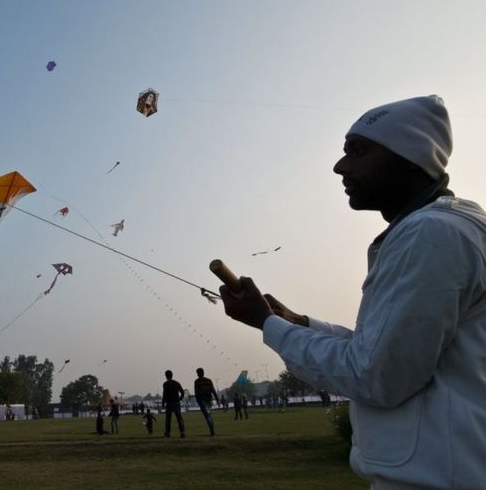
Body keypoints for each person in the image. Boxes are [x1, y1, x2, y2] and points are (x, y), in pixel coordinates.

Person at [218, 95, 486, 488]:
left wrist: (267, 325)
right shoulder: (449, 225)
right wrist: (298, 323)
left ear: (410, 159)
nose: (340, 166)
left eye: (358, 152)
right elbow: (383, 351)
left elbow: (375, 375)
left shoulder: (431, 234)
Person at [193, 368, 221, 436]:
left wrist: (198, 401)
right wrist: (217, 399)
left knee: (207, 416)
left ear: (198, 373)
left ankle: (212, 431)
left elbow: (196, 392)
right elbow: (213, 390)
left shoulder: (197, 382)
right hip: (209, 400)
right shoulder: (209, 381)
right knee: (209, 415)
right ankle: (212, 430)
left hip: (202, 401)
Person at [162, 370, 185, 438]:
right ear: (172, 375)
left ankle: (168, 433)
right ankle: (182, 432)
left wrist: (163, 403)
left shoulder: (165, 384)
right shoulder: (177, 383)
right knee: (179, 418)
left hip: (169, 403)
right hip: (176, 403)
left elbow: (164, 394)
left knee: (168, 419)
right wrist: (179, 399)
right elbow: (182, 392)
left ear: (166, 376)